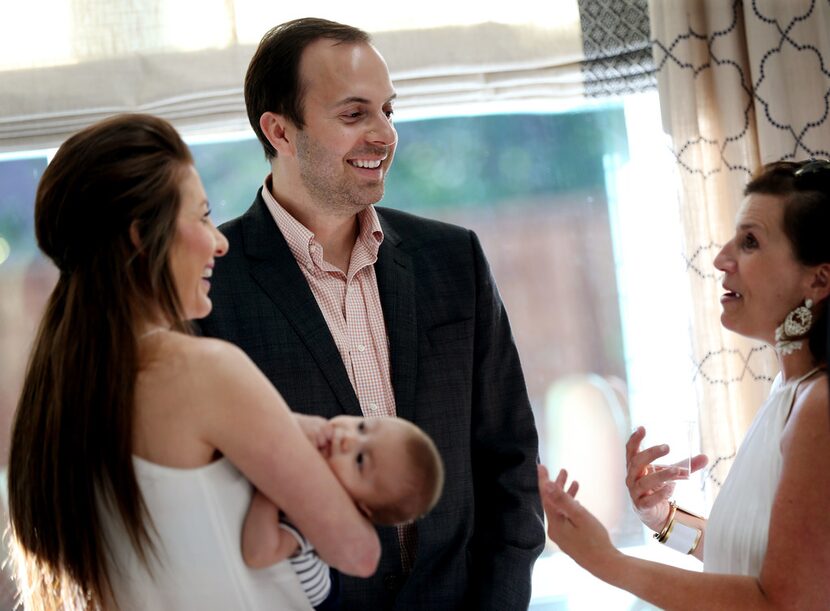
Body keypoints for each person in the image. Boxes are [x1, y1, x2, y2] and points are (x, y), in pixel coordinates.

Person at [197, 16, 544, 610]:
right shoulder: (211, 290)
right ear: (280, 131)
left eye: (388, 110)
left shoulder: (454, 259)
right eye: (355, 114)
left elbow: (509, 462)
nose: (384, 134)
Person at [6, 113, 382, 611]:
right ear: (143, 237)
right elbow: (357, 551)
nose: (219, 240)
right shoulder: (204, 372)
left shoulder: (56, 396)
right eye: (202, 216)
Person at [538, 159, 830, 609]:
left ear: (818, 278)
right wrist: (664, 519)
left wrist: (606, 561)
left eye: (750, 242)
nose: (721, 258)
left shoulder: (821, 406)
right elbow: (759, 561)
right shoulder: (790, 391)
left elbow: (779, 603)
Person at [242, 415, 445, 609]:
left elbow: (258, 553)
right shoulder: (317, 451)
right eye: (362, 427)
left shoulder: (317, 524)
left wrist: (271, 480)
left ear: (360, 507)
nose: (348, 438)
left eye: (359, 460)